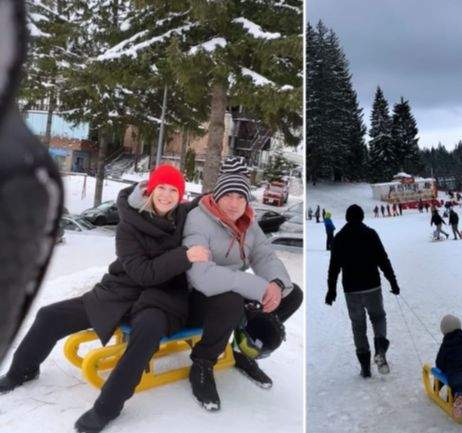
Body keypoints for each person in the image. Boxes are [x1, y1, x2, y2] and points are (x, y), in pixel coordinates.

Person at [0, 165, 209, 432]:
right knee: (50, 315)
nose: (166, 195)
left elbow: (211, 203)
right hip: (121, 290)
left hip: (163, 297)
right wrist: (184, 256)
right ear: (149, 189)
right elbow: (141, 273)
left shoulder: (184, 217)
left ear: (180, 195)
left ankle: (107, 408)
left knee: (147, 330)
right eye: (161, 188)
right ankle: (22, 370)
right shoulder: (129, 224)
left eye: (173, 190)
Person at [183, 157, 303, 411]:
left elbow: (264, 256)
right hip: (196, 297)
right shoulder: (198, 219)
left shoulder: (248, 222)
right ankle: (203, 363)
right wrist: (256, 288)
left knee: (292, 294)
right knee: (231, 302)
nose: (234, 203)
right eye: (228, 195)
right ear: (217, 195)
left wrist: (276, 285)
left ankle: (241, 347)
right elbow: (201, 275)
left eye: (241, 196)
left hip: (235, 291)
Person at [326, 204, 400, 378]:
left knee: (358, 327)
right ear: (362, 217)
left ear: (346, 218)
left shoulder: (339, 238)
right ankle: (380, 349)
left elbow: (333, 267)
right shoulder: (370, 234)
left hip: (351, 290)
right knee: (378, 317)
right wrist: (393, 282)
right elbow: (383, 260)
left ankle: (365, 367)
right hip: (372, 285)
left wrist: (331, 290)